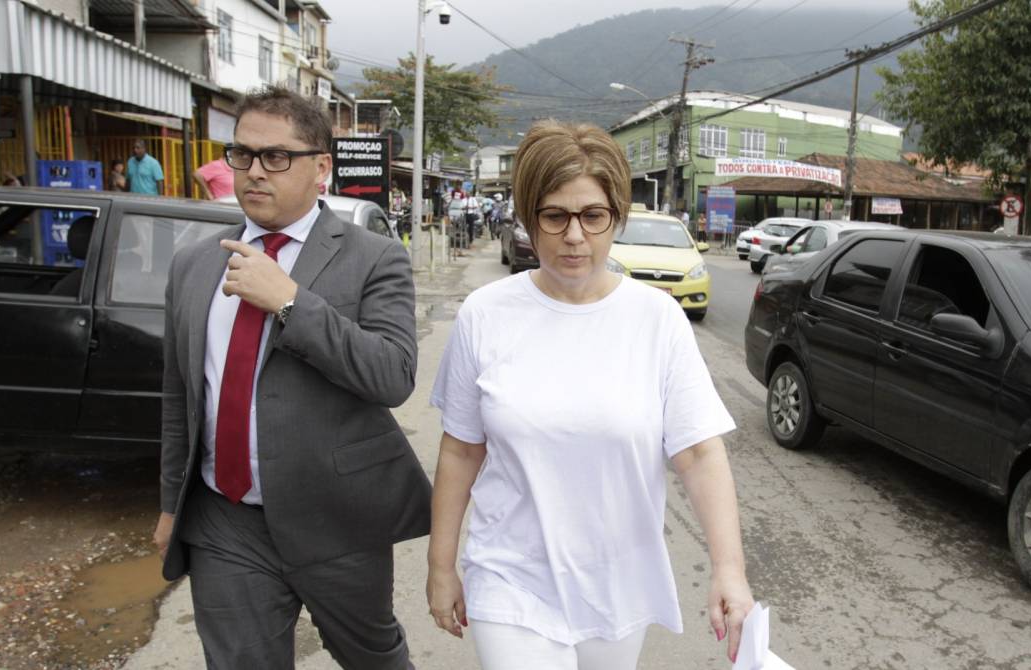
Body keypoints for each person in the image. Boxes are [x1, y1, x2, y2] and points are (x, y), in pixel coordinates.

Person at [426, 120, 754, 670]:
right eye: (555, 216)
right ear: (529, 217)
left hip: (616, 582)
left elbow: (699, 453)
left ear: (615, 216)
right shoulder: (485, 314)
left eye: (592, 216)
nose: (574, 235)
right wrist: (440, 566)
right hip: (511, 576)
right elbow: (460, 450)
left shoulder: (657, 320)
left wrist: (730, 568)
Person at [152, 84, 431, 670]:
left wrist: (290, 303)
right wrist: (169, 505)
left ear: (321, 167)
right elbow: (180, 394)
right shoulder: (195, 264)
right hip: (226, 519)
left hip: (339, 519)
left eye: (277, 157)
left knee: (373, 658)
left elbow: (392, 375)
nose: (255, 172)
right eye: (243, 155)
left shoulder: (374, 256)